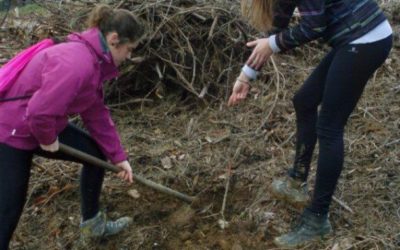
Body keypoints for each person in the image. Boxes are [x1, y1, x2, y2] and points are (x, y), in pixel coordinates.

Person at [228, 0, 392, 248]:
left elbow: (314, 26)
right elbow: (276, 31)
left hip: (366, 40)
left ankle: (317, 219)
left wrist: (271, 45)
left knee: (329, 127)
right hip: (352, 39)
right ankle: (297, 181)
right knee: (304, 101)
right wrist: (246, 75)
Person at [0, 4, 145, 249]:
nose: (129, 57)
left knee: (96, 154)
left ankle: (92, 226)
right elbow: (39, 112)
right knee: (8, 209)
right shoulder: (77, 63)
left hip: (38, 123)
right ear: (113, 39)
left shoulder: (93, 60)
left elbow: (95, 111)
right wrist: (47, 139)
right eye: (129, 49)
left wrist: (117, 156)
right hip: (11, 129)